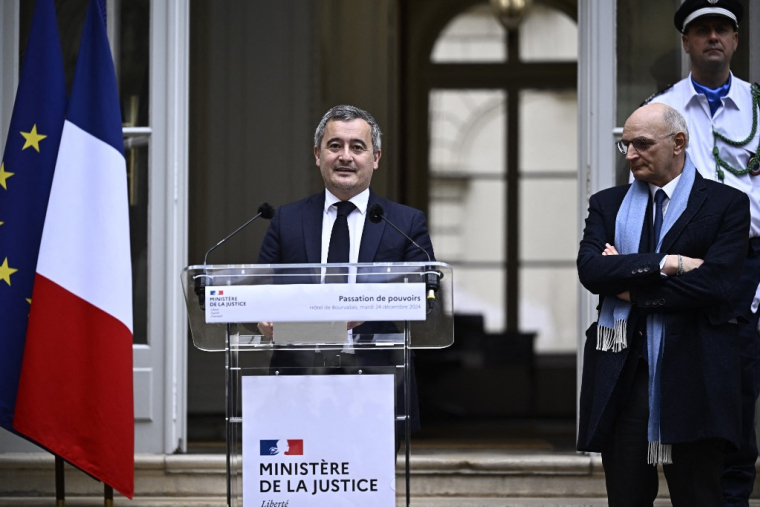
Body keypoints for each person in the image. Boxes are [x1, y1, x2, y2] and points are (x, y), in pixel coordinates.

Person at [577, 103, 749, 506]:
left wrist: (631, 288)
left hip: (696, 371)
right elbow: (591, 271)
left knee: (699, 495)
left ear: (679, 143)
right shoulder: (607, 203)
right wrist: (669, 263)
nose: (631, 154)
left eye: (642, 144)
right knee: (626, 496)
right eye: (626, 145)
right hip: (623, 374)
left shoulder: (726, 204)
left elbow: (716, 285)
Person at [257, 104, 435, 434]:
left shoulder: (405, 223)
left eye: (357, 147)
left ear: (376, 158)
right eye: (335, 145)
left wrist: (368, 308)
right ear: (317, 153)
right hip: (298, 380)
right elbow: (257, 291)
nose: (345, 156)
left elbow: (425, 294)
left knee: (371, 486)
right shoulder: (286, 221)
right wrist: (262, 316)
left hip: (377, 381)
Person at [643, 1, 760, 503]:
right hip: (685, 265)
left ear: (736, 40)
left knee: (739, 388)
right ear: (686, 42)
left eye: (723, 29)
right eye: (701, 30)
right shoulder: (662, 108)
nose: (713, 37)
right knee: (693, 389)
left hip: (750, 264)